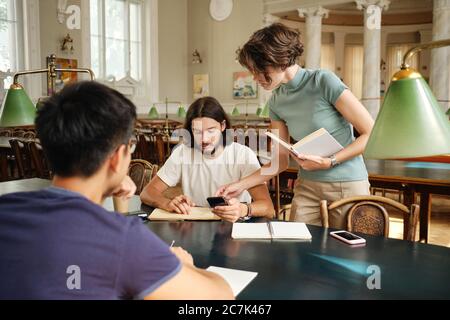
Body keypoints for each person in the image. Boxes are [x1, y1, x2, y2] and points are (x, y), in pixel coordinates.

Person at [0, 82, 233, 300]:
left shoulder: (7, 211)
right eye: (130, 146)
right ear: (118, 157)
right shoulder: (123, 241)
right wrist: (186, 266)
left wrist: (104, 187)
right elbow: (221, 296)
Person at [217, 23, 374, 228]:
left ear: (278, 60)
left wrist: (330, 161)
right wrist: (240, 185)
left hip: (347, 184)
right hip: (306, 187)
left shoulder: (323, 81)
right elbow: (279, 161)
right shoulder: (275, 102)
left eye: (258, 70)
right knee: (297, 252)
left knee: (346, 255)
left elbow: (371, 133)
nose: (255, 78)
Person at [140, 96, 274, 223]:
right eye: (197, 131)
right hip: (195, 227)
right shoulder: (182, 153)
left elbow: (268, 209)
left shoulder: (243, 155)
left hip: (234, 228)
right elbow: (147, 193)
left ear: (222, 126)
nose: (204, 139)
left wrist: (243, 209)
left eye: (211, 130)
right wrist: (167, 203)